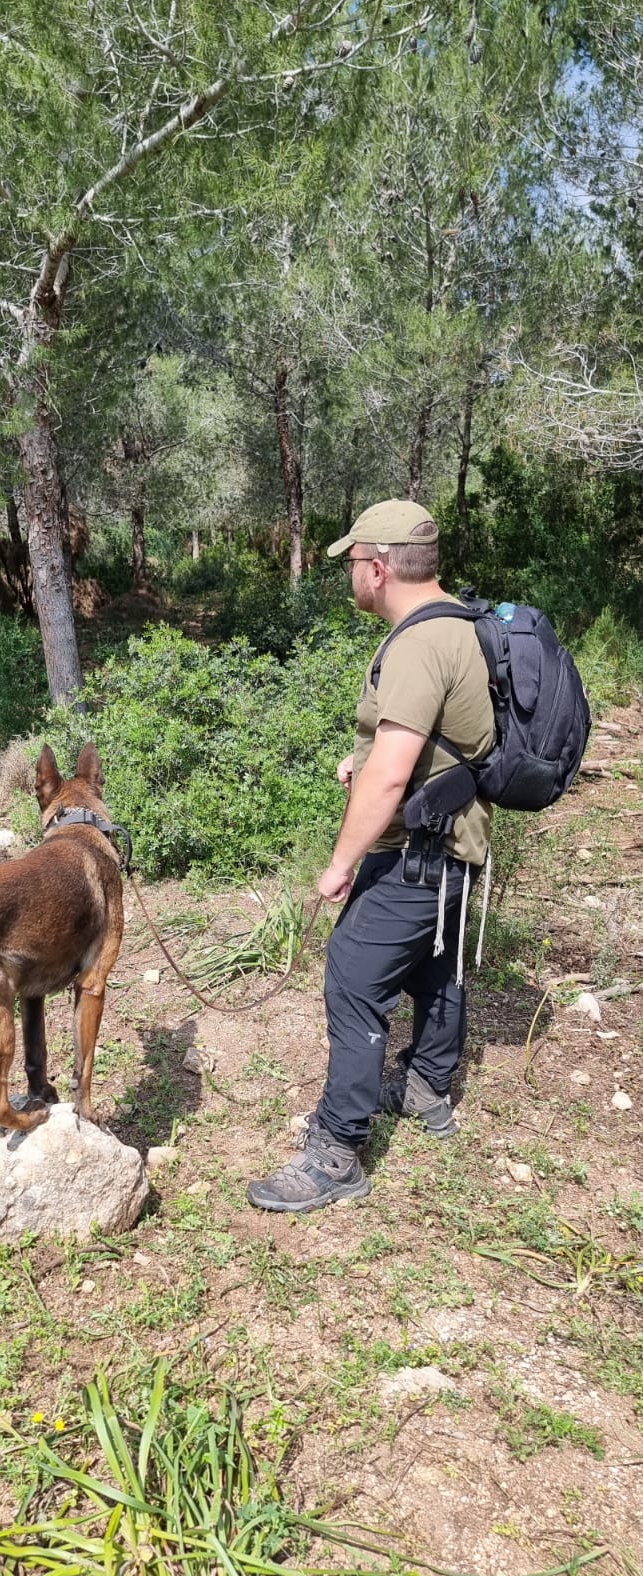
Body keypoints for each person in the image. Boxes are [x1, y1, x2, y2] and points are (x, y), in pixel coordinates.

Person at [247, 500, 495, 1214]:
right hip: (457, 844)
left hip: (418, 851)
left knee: (353, 977)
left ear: (378, 568)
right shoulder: (461, 622)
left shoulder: (418, 645)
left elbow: (393, 773)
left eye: (353, 563)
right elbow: (424, 748)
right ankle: (427, 1086)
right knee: (432, 963)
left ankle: (337, 1152)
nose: (350, 575)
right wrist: (367, 764)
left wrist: (339, 863)